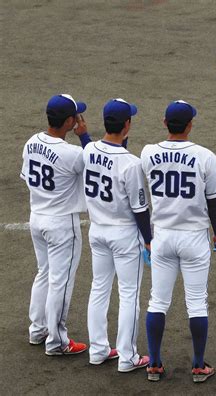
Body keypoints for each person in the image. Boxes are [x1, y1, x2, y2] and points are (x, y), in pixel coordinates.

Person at [141, 100, 216, 383]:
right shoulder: (205, 156)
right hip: (194, 238)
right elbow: (214, 202)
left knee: (158, 301)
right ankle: (199, 366)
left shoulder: (148, 153)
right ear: (191, 125)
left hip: (162, 236)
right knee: (197, 304)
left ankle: (154, 364)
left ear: (165, 123)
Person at [80, 98, 151, 372]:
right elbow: (140, 208)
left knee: (99, 288)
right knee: (129, 294)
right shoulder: (131, 164)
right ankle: (127, 357)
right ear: (127, 125)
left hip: (97, 231)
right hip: (124, 235)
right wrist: (149, 239)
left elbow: (95, 151)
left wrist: (84, 135)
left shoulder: (87, 151)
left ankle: (97, 350)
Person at [21, 94, 89, 355]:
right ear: (70, 121)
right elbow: (97, 163)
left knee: (44, 274)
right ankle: (57, 341)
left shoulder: (31, 142)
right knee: (61, 281)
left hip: (36, 218)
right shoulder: (72, 153)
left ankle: (37, 330)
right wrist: (84, 136)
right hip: (61, 224)